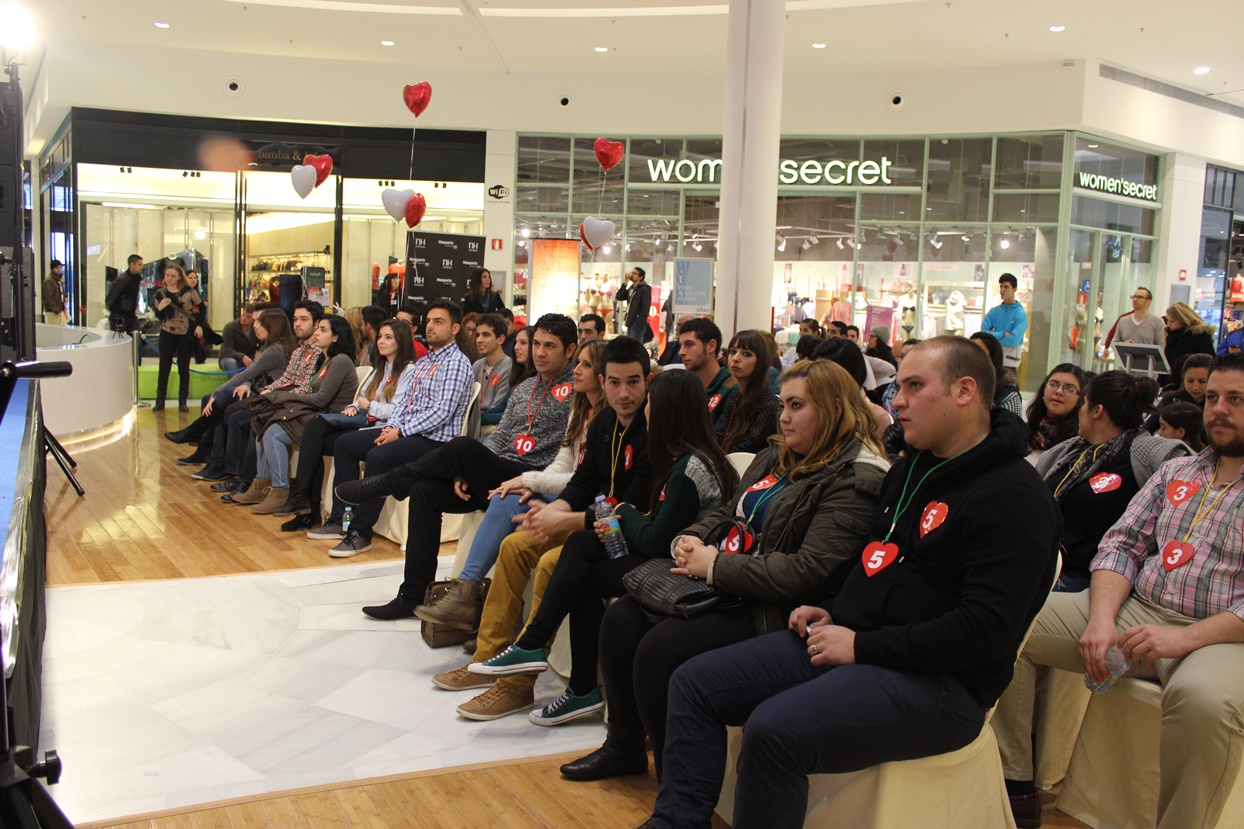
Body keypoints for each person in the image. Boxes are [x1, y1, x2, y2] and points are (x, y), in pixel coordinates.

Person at [638, 337, 1060, 829]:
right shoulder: (910, 471)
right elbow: (874, 565)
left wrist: (862, 645)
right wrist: (834, 608)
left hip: (942, 685)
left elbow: (982, 632)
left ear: (964, 391)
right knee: (693, 682)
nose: (895, 401)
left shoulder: (1014, 498)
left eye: (914, 386)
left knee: (773, 731)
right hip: (855, 644)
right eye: (898, 385)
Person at [566, 359, 888, 781]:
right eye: (783, 405)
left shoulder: (855, 477)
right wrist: (693, 537)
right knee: (622, 618)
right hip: (728, 583)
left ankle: (676, 789)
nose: (785, 417)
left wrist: (716, 564)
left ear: (831, 409)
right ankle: (624, 746)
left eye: (796, 406)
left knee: (659, 650)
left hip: (773, 608)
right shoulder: (777, 454)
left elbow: (807, 573)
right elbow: (727, 509)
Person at [996, 353, 1244, 829]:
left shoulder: (1155, 456)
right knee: (1014, 620)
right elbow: (1122, 543)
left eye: (1235, 399)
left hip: (1219, 635)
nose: (1218, 409)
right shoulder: (1181, 472)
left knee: (1204, 703)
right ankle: (1017, 781)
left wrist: (1184, 639)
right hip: (1138, 609)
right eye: (1212, 397)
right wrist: (1103, 617)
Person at [467, 357, 736, 728]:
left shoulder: (688, 469)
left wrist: (623, 513)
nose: (640, 405)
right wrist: (612, 516)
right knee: (577, 551)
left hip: (678, 570)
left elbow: (660, 540)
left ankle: (553, 664)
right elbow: (588, 482)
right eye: (613, 382)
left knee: (578, 564)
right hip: (651, 546)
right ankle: (548, 662)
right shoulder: (633, 437)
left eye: (648, 398)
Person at [334, 313, 580, 619]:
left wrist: (474, 462)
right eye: (537, 344)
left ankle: (388, 484)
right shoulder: (526, 386)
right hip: (498, 472)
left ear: (569, 350)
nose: (540, 352)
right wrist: (468, 471)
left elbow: (565, 458)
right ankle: (412, 595)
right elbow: (501, 436)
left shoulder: (577, 393)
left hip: (531, 480)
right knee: (425, 491)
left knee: (463, 445)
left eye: (550, 346)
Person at [416, 339, 608, 632]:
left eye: (586, 364)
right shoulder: (579, 408)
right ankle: (479, 606)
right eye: (578, 362)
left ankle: (474, 602)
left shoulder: (604, 419)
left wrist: (530, 479)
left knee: (491, 478)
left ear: (603, 375)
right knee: (506, 494)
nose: (577, 370)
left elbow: (585, 479)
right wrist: (530, 483)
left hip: (589, 502)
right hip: (560, 488)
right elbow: (562, 463)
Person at [311, 299, 475, 556]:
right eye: (429, 321)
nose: (430, 327)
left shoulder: (456, 362)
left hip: (436, 440)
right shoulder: (425, 362)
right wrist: (393, 427)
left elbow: (442, 412)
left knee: (379, 456)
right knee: (345, 444)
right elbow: (405, 403)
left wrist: (400, 432)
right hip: (409, 432)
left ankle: (360, 533)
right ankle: (341, 517)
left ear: (455, 329)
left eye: (438, 322)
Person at [1035, 371, 1185, 592]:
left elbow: (1190, 470)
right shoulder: (1070, 451)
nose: (1080, 411)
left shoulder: (1143, 454)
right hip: (1045, 563)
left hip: (1091, 577)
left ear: (1097, 411)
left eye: (1084, 403)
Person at [272, 318, 417, 526]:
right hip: (365, 421)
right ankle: (307, 507)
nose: (381, 342)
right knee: (314, 436)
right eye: (381, 337)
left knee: (321, 432)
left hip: (382, 427)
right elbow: (361, 399)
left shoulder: (409, 371)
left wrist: (367, 406)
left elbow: (396, 411)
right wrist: (355, 407)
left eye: (388, 338)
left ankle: (308, 504)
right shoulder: (380, 367)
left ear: (401, 342)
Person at [232, 314, 358, 514]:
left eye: (323, 330)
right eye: (317, 328)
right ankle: (262, 483)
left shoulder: (340, 361)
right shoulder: (328, 360)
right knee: (263, 422)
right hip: (315, 413)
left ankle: (281, 489)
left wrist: (285, 396)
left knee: (272, 432)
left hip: (328, 418)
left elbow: (321, 399)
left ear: (336, 337)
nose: (317, 333)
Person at [209, 300, 325, 500]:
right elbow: (286, 379)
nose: (297, 324)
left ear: (316, 324)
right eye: (295, 319)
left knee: (250, 416)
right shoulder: (298, 350)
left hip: (299, 407)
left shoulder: (317, 353)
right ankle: (247, 478)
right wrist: (269, 391)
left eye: (304, 319)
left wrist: (272, 394)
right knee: (243, 412)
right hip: (283, 400)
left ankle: (249, 481)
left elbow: (306, 388)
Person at [178, 309, 298, 472]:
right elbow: (251, 372)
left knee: (229, 409)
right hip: (261, 392)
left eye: (259, 322)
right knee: (217, 399)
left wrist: (219, 392)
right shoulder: (268, 345)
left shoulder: (275, 349)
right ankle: (205, 450)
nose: (255, 325)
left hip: (271, 398)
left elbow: (251, 372)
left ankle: (211, 453)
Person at [714, 330, 781, 455]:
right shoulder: (735, 397)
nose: (736, 358)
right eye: (733, 352)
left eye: (746, 354)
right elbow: (719, 435)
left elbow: (747, 448)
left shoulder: (770, 404)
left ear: (761, 361)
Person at [152, 263, 203, 412]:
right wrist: (160, 307)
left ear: (179, 277)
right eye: (167, 275)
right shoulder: (160, 293)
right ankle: (160, 401)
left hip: (185, 333)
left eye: (173, 276)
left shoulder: (188, 292)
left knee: (183, 367)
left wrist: (199, 325)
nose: (170, 278)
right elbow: (159, 315)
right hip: (167, 333)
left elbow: (201, 307)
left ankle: (183, 401)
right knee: (164, 367)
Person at [676, 317, 736, 424]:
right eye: (681, 345)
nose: (681, 352)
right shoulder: (684, 387)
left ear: (711, 346)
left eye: (689, 344)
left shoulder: (732, 389)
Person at [1025, 363, 1089, 455]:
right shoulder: (1024, 431)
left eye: (1070, 389)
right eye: (1053, 384)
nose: (1059, 391)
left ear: (1080, 398)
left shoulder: (1080, 443)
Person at [483, 324, 533, 427]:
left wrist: (481, 418)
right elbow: (502, 406)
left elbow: (515, 415)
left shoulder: (536, 379)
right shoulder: (518, 374)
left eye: (523, 343)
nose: (516, 347)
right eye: (515, 342)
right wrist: (479, 417)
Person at [471, 313, 512, 435]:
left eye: (486, 335)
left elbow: (497, 408)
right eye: (477, 335)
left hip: (492, 427)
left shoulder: (509, 367)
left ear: (500, 339)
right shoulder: (477, 365)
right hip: (473, 423)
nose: (479, 340)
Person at [971, 331, 1023, 416]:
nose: (973, 359)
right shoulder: (956, 386)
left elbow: (1011, 428)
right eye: (969, 353)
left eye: (980, 354)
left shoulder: (1007, 396)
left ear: (993, 359)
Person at [982, 272, 1028, 368]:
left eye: (1006, 287)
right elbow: (983, 335)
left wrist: (993, 337)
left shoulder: (1020, 314)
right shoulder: (994, 312)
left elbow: (1013, 340)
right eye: (1001, 287)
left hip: (1010, 363)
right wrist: (1002, 334)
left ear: (1014, 289)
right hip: (993, 362)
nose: (1002, 290)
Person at [1163, 301, 1215, 381]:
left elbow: (1209, 360)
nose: (1169, 324)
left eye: (1172, 321)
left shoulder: (1200, 336)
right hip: (1172, 378)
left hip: (1193, 378)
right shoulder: (1171, 335)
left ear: (1184, 320)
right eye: (1168, 320)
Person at [105, 254, 143, 334]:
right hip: (119, 314)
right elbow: (112, 296)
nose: (142, 267)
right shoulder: (122, 280)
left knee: (136, 337)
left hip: (130, 314)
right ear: (131, 264)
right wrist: (114, 310)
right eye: (139, 264)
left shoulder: (136, 279)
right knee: (118, 338)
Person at [218, 303, 259, 371]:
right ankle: (238, 382)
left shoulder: (256, 328)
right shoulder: (230, 327)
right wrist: (242, 357)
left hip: (249, 356)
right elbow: (227, 350)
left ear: (254, 319)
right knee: (231, 362)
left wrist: (259, 352)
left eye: (248, 317)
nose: (243, 318)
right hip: (228, 357)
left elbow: (262, 344)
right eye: (243, 314)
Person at [617, 267, 652, 342]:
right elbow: (619, 296)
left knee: (635, 345)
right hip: (630, 322)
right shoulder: (632, 288)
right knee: (631, 345)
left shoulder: (644, 289)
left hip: (637, 324)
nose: (632, 275)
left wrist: (638, 321)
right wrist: (625, 283)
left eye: (635, 273)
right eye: (632, 272)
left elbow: (645, 307)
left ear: (640, 277)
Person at [42, 259, 68, 325]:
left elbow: (60, 293)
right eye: (57, 268)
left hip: (59, 310)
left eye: (60, 267)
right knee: (55, 332)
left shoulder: (57, 280)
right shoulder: (49, 281)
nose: (59, 269)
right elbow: (49, 298)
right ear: (53, 268)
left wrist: (64, 298)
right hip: (53, 312)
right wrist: (56, 311)